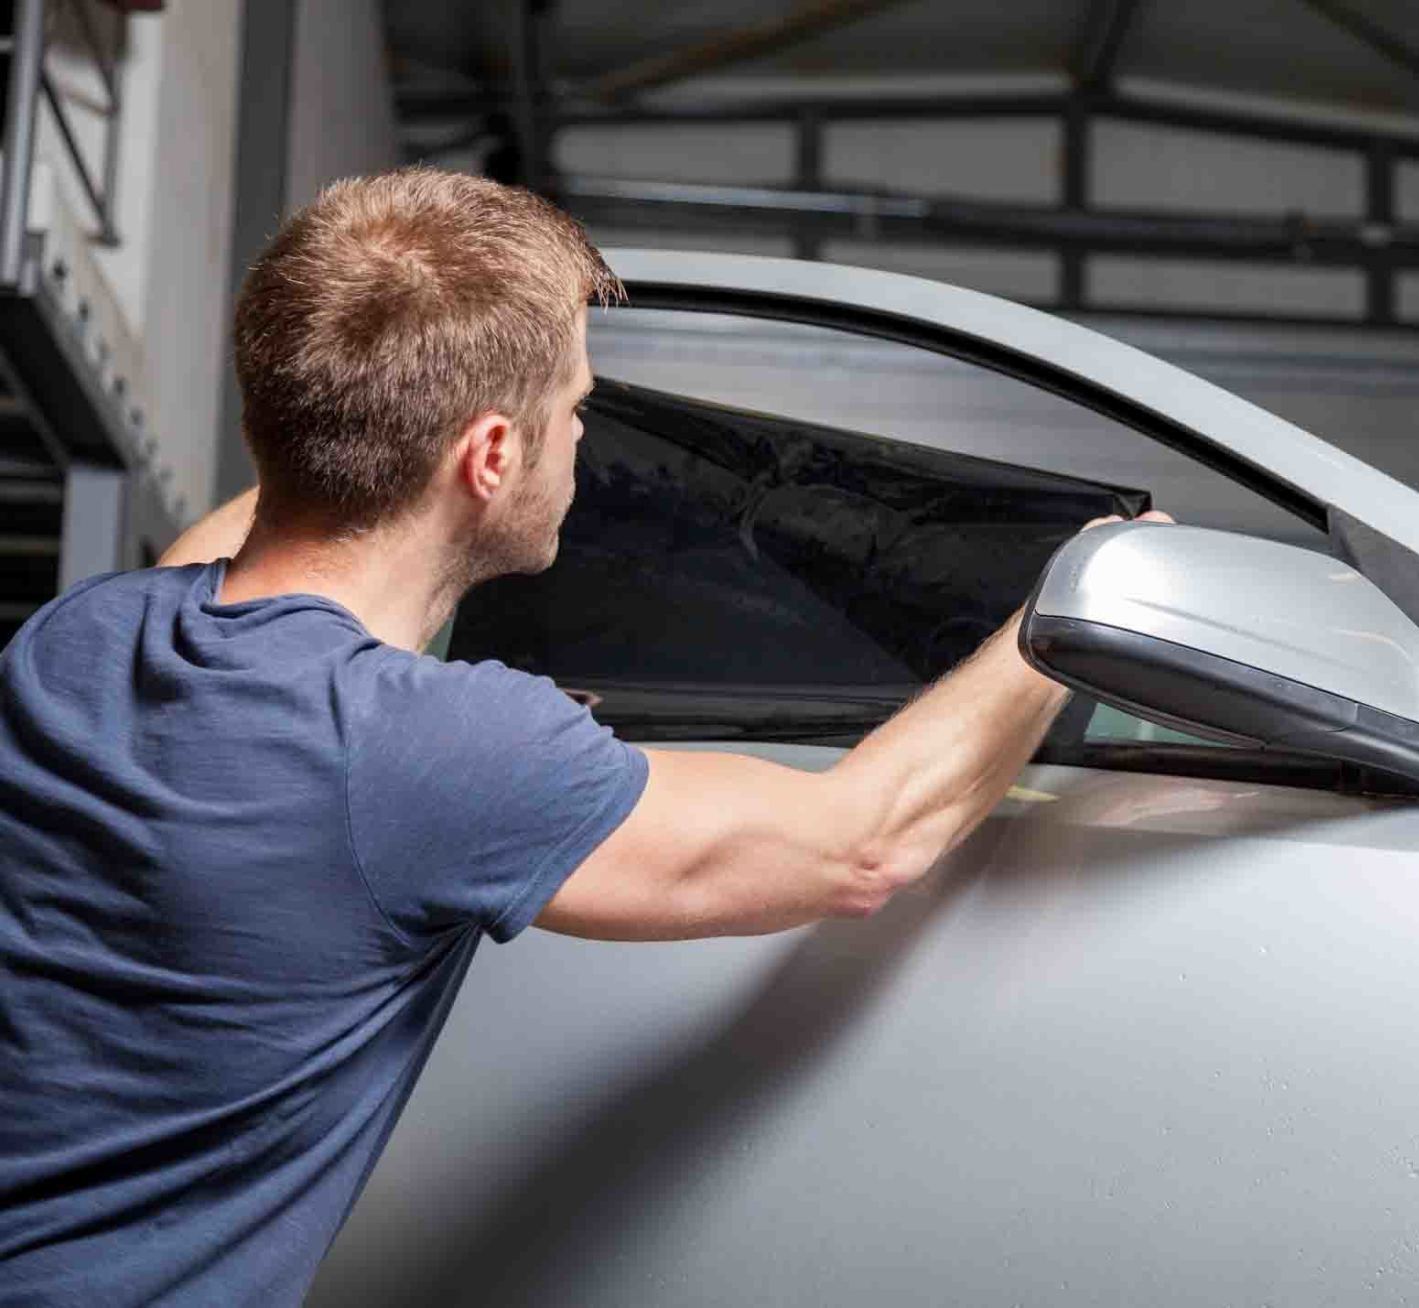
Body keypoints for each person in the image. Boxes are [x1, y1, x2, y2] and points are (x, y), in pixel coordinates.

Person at [0, 167, 1169, 1305]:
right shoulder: (435, 748)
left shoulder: (79, 644)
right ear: (492, 455)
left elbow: (258, 538)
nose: (583, 446)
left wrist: (382, 379)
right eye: (578, 410)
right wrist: (1081, 605)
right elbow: (862, 844)